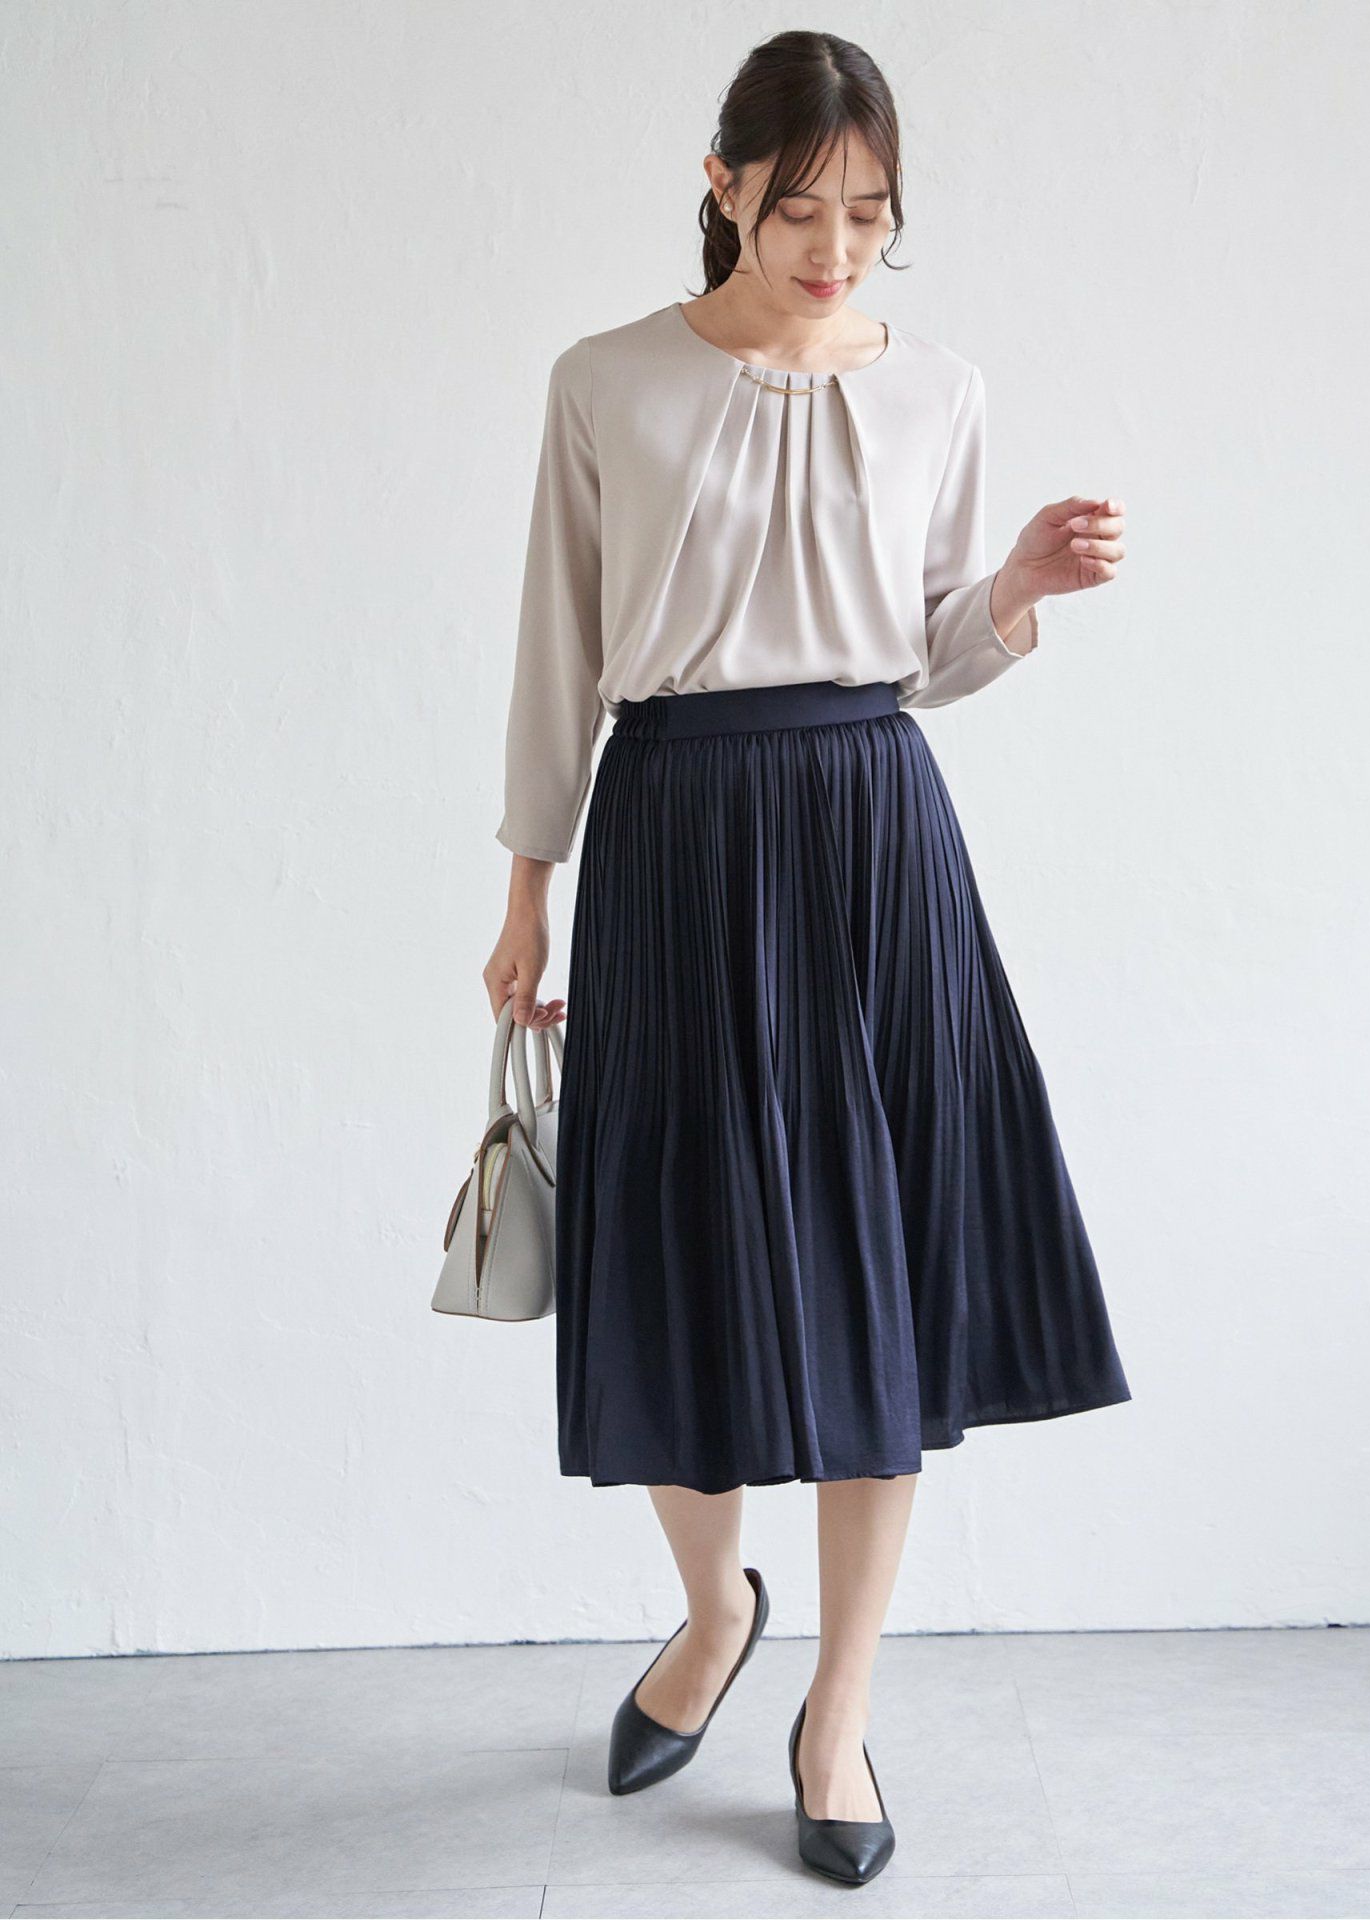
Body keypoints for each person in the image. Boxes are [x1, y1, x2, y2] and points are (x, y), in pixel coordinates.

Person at [481, 28, 1132, 1888]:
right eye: (799, 211)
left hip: (869, 831)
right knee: (670, 1246)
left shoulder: (938, 390)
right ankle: (715, 1612)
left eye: (870, 214)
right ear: (723, 189)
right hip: (673, 831)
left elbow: (925, 650)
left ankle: (835, 1707)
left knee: (877, 1265)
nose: (837, 248)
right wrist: (527, 891)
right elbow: (559, 646)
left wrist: (1014, 591)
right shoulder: (606, 381)